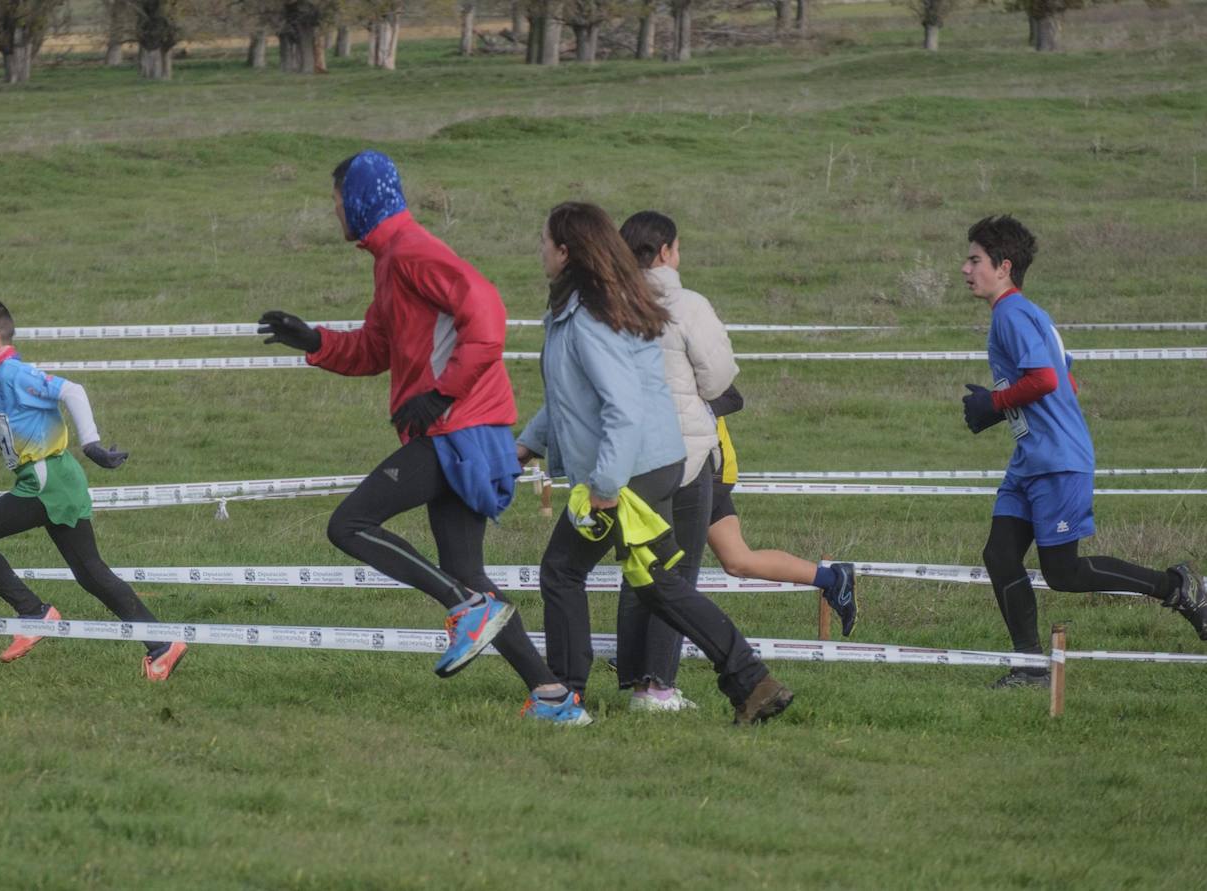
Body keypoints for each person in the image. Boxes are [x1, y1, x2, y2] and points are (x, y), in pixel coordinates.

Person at [258, 150, 587, 723]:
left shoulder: (412, 251)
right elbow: (375, 349)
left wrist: (444, 392)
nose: (335, 213)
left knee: (349, 524)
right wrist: (313, 340)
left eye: (337, 202)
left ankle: (463, 609)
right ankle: (553, 696)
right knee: (469, 575)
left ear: (359, 199)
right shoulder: (390, 261)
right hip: (459, 427)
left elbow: (486, 311)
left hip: (456, 429)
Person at [517, 201, 794, 727]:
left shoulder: (591, 315)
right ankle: (750, 679)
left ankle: (563, 696)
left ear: (567, 251)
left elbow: (622, 406)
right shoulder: (585, 307)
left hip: (632, 469)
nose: (540, 251)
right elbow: (570, 399)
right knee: (656, 582)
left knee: (562, 570)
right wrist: (526, 445)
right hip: (650, 462)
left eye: (545, 241)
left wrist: (604, 484)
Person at [612, 211, 858, 713]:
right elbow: (720, 379)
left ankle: (653, 679)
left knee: (680, 569)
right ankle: (832, 578)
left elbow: (730, 394)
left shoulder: (614, 307)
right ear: (665, 252)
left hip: (690, 464)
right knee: (728, 560)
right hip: (693, 460)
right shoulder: (683, 307)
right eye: (678, 248)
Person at [959, 215, 1206, 687]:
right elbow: (1066, 377)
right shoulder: (1030, 314)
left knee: (1064, 572)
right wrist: (1003, 408)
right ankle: (1030, 667)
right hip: (1029, 461)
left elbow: (1049, 380)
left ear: (1003, 267)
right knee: (1000, 555)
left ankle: (1176, 586)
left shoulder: (1012, 314)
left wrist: (996, 402)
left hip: (1058, 463)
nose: (965, 269)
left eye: (975, 260)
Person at [0, 299, 187, 680]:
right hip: (55, 481)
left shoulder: (12, 374)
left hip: (46, 481)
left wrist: (91, 442)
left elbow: (72, 391)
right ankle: (162, 644)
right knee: (90, 574)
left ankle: (34, 613)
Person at [703, 383, 856, 636]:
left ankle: (648, 655)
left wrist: (689, 411)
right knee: (738, 561)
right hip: (684, 472)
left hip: (706, 474)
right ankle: (834, 581)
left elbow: (733, 397)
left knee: (662, 566)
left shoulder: (680, 349)